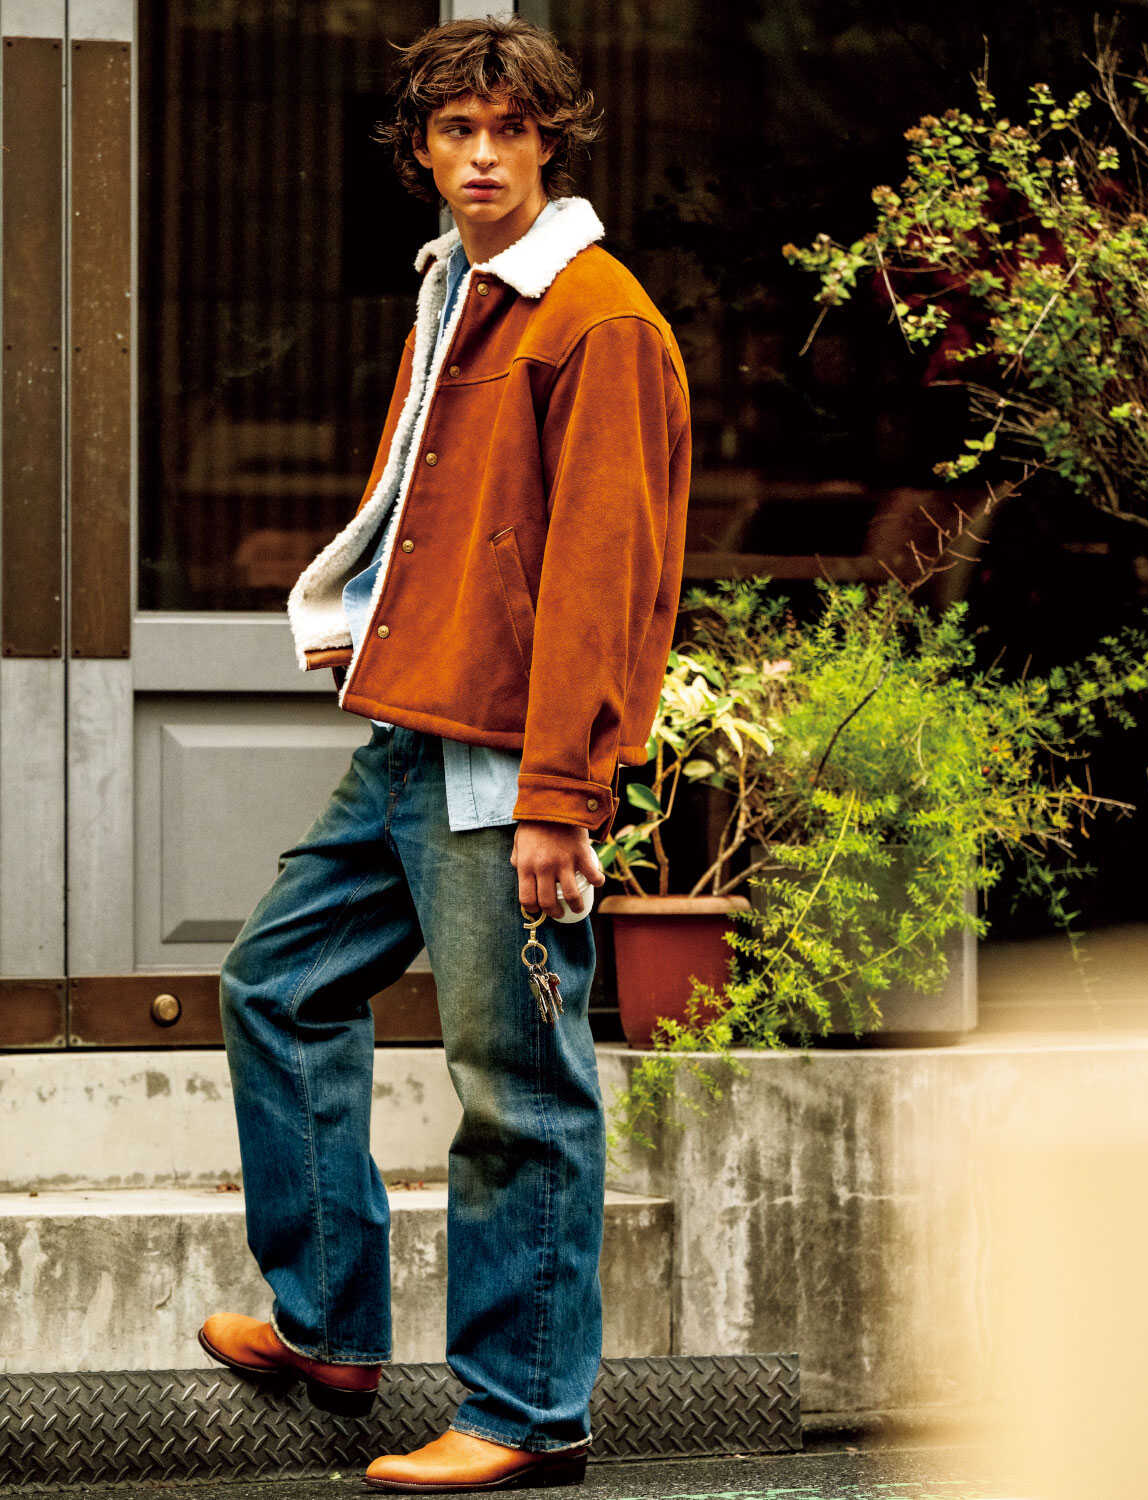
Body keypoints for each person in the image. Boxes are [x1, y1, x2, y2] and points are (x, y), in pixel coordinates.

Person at [198, 15, 690, 1494]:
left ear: (552, 143)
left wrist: (559, 797)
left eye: (509, 131)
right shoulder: (462, 286)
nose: (482, 156)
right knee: (276, 985)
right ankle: (331, 1323)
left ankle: (525, 1414)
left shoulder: (594, 317)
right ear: (420, 148)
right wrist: (367, 617)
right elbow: (437, 498)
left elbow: (604, 577)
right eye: (456, 131)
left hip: (502, 763)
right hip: (416, 731)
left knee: (519, 1088)